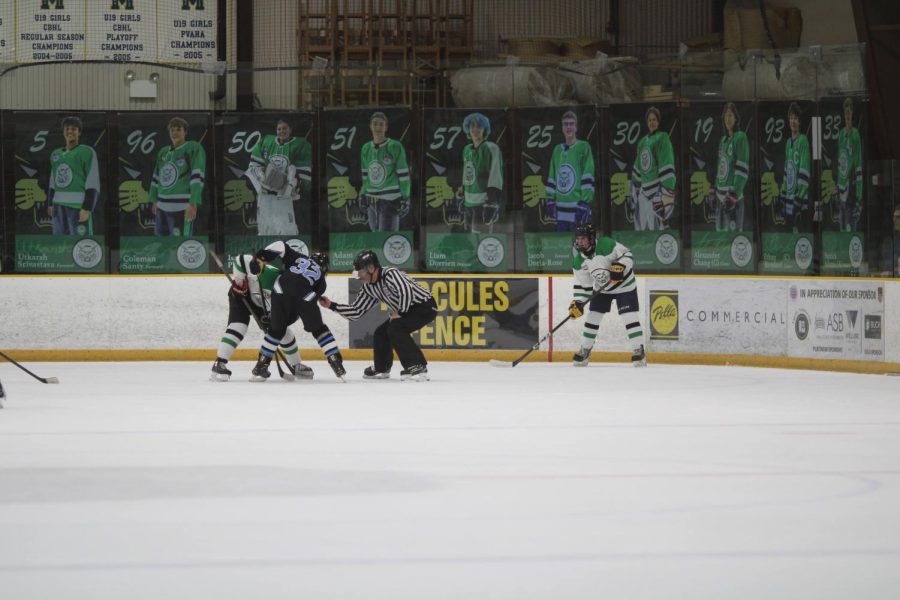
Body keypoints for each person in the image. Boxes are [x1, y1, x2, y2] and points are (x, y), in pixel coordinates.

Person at [319, 250, 437, 381]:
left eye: (361, 271)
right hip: (405, 310)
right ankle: (382, 368)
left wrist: (401, 312)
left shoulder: (390, 273)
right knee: (381, 333)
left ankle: (417, 365)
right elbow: (356, 311)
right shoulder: (369, 287)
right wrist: (332, 305)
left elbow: (406, 291)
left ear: (371, 268)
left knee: (395, 327)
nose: (359, 276)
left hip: (425, 306)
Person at [248, 242, 346, 381]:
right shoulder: (322, 282)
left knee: (276, 331)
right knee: (319, 329)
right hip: (304, 296)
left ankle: (261, 365)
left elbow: (280, 245)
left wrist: (260, 257)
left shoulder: (300, 258)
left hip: (280, 290)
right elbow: (305, 303)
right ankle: (335, 360)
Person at [210, 253, 314, 382]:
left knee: (283, 332)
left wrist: (271, 320)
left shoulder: (284, 289)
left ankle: (296, 364)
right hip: (241, 297)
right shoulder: (261, 269)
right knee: (238, 327)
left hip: (263, 305)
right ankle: (219, 363)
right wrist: (239, 282)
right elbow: (241, 259)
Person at [568, 224, 646, 367]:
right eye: (578, 239)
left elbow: (628, 255)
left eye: (583, 239)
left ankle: (638, 350)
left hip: (624, 285)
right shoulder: (579, 261)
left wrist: (621, 266)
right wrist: (578, 302)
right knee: (593, 317)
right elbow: (584, 287)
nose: (580, 242)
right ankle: (585, 350)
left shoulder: (606, 244)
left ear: (591, 238)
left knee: (629, 316)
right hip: (602, 289)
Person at [245, 118, 312, 236]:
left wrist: (294, 180)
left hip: (285, 196)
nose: (281, 131)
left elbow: (304, 173)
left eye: (285, 128)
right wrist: (261, 176)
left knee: (286, 226)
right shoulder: (266, 141)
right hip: (266, 194)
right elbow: (254, 165)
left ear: (290, 130)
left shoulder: (300, 145)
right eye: (279, 129)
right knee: (266, 226)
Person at [148, 117, 206, 236]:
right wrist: (154, 200)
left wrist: (193, 203)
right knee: (161, 245)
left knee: (179, 245)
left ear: (185, 132)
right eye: (172, 130)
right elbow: (157, 177)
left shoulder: (193, 148)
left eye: (178, 130)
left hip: (182, 206)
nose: (175, 133)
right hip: (161, 207)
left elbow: (197, 176)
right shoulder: (163, 152)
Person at [359, 111, 411, 232]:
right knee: (375, 238)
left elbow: (404, 176)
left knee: (388, 239)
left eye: (381, 124)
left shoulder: (395, 146)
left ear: (386, 127)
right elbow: (365, 175)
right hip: (371, 200)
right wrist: (363, 194)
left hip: (390, 200)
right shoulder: (365, 148)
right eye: (375, 124)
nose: (378, 127)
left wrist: (405, 198)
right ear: (370, 126)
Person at [48, 116, 100, 236]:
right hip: (58, 206)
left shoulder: (87, 152)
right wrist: (50, 203)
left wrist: (87, 207)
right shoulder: (55, 154)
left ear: (79, 132)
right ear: (63, 132)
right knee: (59, 243)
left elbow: (93, 181)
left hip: (78, 207)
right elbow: (52, 181)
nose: (70, 131)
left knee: (80, 244)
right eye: (67, 129)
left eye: (74, 129)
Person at [545, 110, 596, 231]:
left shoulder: (584, 147)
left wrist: (584, 202)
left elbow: (588, 174)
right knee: (563, 248)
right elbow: (552, 176)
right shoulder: (557, 150)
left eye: (571, 124)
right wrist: (550, 199)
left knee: (584, 248)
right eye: (566, 124)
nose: (568, 127)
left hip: (579, 210)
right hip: (561, 212)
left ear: (576, 127)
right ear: (562, 127)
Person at [629, 106, 676, 231]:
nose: (652, 122)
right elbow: (638, 168)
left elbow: (667, 163)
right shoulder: (642, 142)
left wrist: (664, 194)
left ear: (658, 122)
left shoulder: (662, 138)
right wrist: (634, 186)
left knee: (657, 231)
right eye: (649, 120)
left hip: (656, 192)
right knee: (641, 229)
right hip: (644, 193)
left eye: (654, 119)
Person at [457, 112, 504, 234]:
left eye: (479, 126)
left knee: (482, 243)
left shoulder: (491, 148)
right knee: (470, 244)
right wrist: (462, 194)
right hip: (468, 204)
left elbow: (496, 175)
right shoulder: (466, 150)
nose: (475, 129)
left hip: (483, 204)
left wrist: (492, 202)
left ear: (485, 129)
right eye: (472, 126)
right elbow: (467, 175)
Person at [706, 102, 750, 232]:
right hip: (720, 198)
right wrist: (714, 189)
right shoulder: (723, 140)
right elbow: (721, 168)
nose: (728, 119)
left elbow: (742, 169)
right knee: (721, 237)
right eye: (726, 116)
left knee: (734, 239)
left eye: (730, 115)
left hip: (732, 199)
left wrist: (734, 195)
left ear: (736, 118)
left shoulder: (740, 137)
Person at [779, 102, 811, 233]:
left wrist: (799, 198)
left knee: (799, 231)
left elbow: (804, 170)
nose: (793, 121)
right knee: (789, 231)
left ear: (800, 121)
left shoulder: (803, 140)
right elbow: (787, 170)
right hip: (789, 198)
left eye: (796, 118)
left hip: (799, 199)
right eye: (791, 118)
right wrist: (783, 192)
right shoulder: (788, 143)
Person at [834, 98, 864, 232]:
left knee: (850, 228)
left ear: (852, 113)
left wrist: (859, 196)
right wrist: (837, 185)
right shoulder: (841, 135)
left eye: (849, 111)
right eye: (845, 111)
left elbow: (858, 166)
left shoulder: (856, 135)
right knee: (841, 226)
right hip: (841, 190)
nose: (847, 114)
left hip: (851, 190)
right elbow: (840, 162)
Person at [878, 205, 900, 277]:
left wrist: (893, 271)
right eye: (894, 217)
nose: (894, 220)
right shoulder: (889, 240)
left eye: (898, 217)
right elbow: (883, 261)